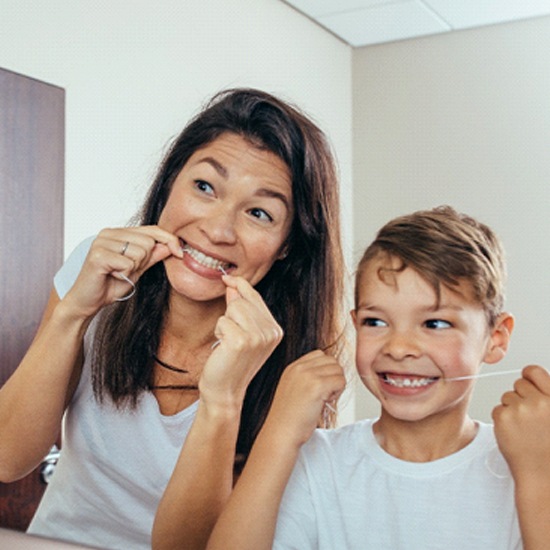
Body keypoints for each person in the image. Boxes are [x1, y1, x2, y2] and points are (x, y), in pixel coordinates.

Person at [0, 88, 347, 550]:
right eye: (204, 187)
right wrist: (74, 313)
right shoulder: (97, 269)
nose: (217, 230)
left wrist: (224, 398)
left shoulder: (296, 367)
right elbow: (7, 457)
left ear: (287, 245)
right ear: (169, 183)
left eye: (259, 213)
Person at [207, 205, 550, 550]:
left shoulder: (529, 459)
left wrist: (538, 475)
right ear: (356, 324)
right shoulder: (317, 462)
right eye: (376, 322)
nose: (399, 348)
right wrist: (278, 433)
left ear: (496, 338)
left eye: (435, 324)